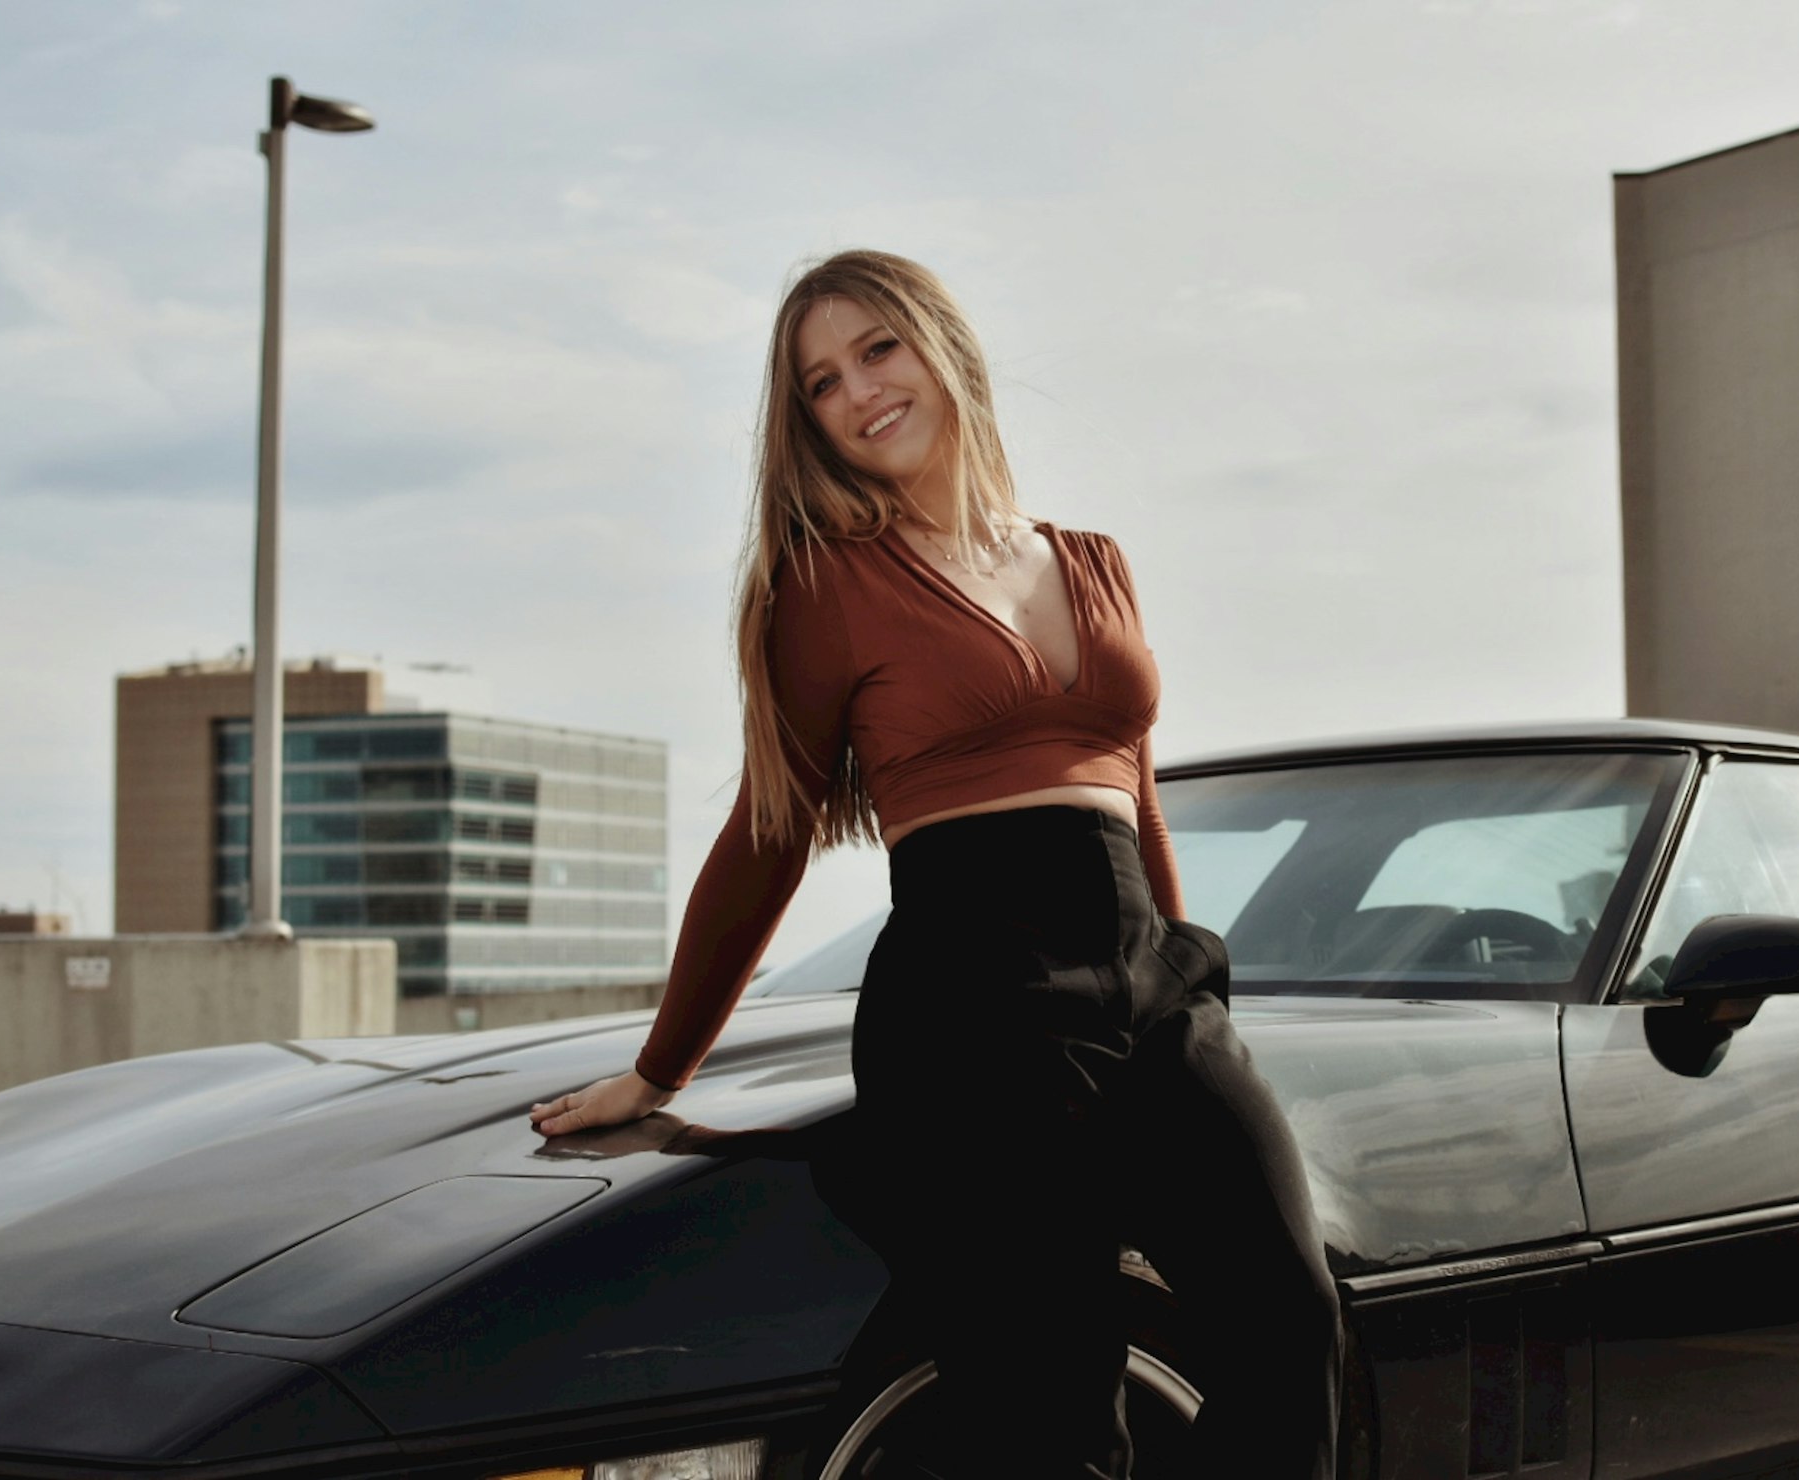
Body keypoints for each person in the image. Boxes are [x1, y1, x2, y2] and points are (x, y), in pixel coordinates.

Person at [529, 249, 1341, 1480]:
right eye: (819, 384)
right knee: (1055, 1401)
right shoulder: (823, 587)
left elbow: (1137, 793)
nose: (857, 392)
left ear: (941, 345)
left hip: (1150, 984)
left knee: (1291, 1321)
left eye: (877, 350)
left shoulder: (1093, 560)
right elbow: (770, 829)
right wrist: (661, 1066)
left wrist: (1192, 982)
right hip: (977, 1008)